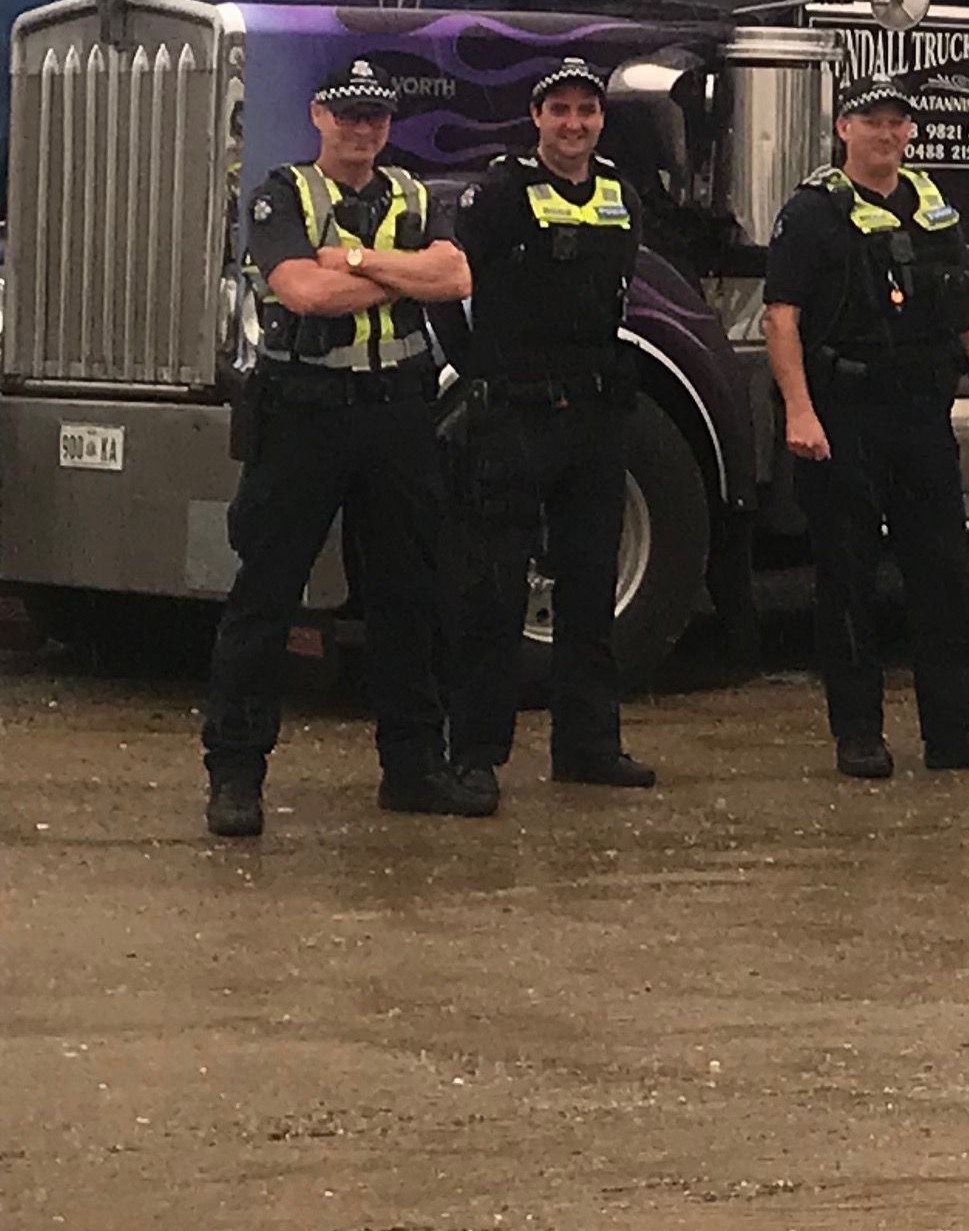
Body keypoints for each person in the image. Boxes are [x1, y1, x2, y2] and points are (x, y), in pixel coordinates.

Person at [201, 58, 480, 837]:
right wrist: (403, 277)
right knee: (266, 595)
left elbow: (455, 276)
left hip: (398, 415)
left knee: (409, 595)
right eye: (349, 114)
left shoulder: (417, 196)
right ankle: (235, 775)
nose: (363, 129)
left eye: (376, 118)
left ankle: (415, 767)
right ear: (319, 114)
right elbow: (302, 292)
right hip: (305, 417)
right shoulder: (281, 194)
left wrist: (353, 260)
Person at [762, 75, 969, 779]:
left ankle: (957, 731)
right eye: (871, 121)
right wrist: (799, 411)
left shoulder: (932, 205)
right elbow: (781, 318)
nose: (886, 133)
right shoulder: (813, 212)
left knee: (941, 575)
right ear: (843, 129)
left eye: (897, 122)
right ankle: (859, 734)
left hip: (921, 413)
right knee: (848, 580)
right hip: (845, 414)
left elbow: (967, 304)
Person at [439, 59, 662, 792]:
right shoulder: (500, 193)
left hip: (595, 417)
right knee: (495, 593)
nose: (574, 123)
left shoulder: (621, 195)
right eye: (559, 110)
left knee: (591, 588)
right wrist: (473, 365)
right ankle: (475, 756)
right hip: (514, 415)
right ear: (536, 117)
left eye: (586, 111)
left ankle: (588, 746)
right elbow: (444, 279)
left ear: (602, 119)